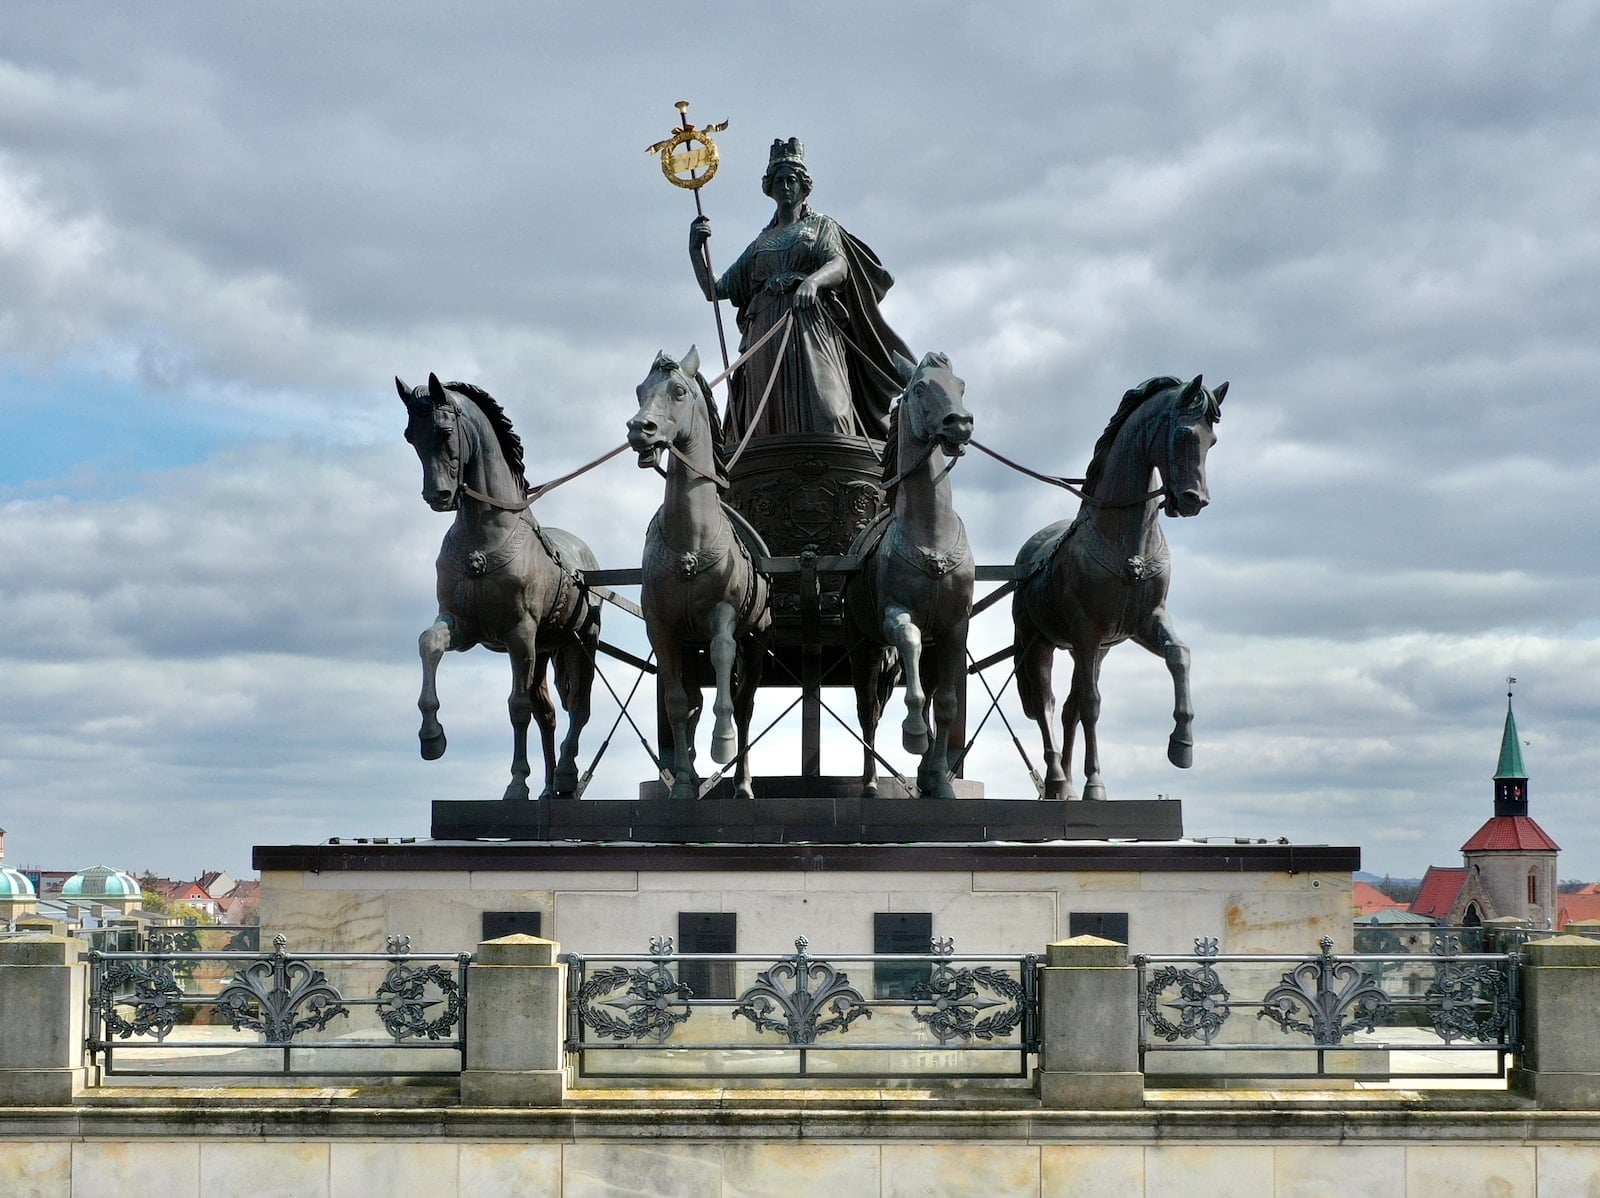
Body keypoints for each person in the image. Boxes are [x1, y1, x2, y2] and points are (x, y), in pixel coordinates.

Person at [690, 137, 912, 443]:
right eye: (778, 180)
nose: (784, 186)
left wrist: (813, 281)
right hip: (765, 328)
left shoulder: (821, 226)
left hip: (810, 323)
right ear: (769, 187)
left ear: (803, 186)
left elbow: (839, 264)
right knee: (765, 418)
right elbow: (715, 290)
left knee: (829, 408)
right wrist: (695, 250)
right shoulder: (760, 244)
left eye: (791, 180)